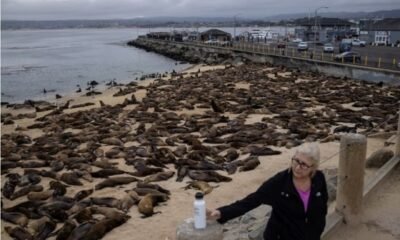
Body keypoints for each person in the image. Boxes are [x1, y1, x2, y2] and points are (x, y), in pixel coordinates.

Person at [207, 143, 328, 240]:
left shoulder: (319, 178)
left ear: (313, 167)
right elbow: (250, 201)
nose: (297, 167)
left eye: (304, 165)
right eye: (296, 161)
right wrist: (220, 213)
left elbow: (323, 205)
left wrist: (318, 227)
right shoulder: (279, 182)